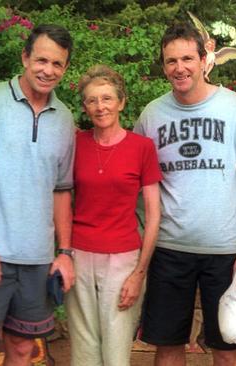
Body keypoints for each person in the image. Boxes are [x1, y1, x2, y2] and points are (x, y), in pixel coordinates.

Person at [133, 22, 236, 366]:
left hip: (226, 254)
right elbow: (137, 183)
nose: (179, 68)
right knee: (166, 347)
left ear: (204, 59)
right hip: (168, 250)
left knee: (226, 349)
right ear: (163, 65)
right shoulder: (152, 116)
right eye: (171, 61)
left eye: (186, 59)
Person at [0, 24, 76, 366]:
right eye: (41, 60)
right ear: (25, 57)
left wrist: (64, 252)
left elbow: (61, 191)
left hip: (37, 261)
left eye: (57, 64)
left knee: (22, 350)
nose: (47, 70)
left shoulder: (64, 119)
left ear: (65, 68)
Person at [66, 64, 161, 366]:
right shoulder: (74, 143)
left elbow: (154, 216)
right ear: (84, 106)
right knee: (84, 349)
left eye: (107, 98)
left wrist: (139, 274)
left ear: (121, 102)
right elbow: (61, 199)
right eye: (92, 100)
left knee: (116, 351)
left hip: (123, 259)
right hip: (79, 254)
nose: (100, 106)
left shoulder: (141, 147)